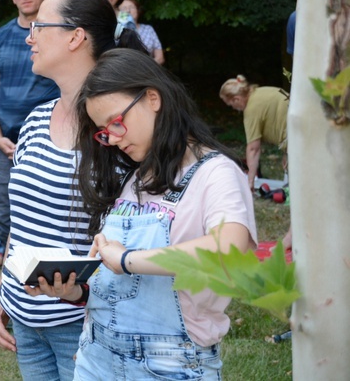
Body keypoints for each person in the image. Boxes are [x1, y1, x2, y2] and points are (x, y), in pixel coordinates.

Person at [32, 49, 257, 379]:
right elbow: (120, 289)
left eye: (117, 122)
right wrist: (76, 291)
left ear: (153, 98)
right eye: (103, 130)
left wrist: (126, 259)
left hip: (169, 366)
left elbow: (231, 249)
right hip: (96, 356)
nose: (112, 138)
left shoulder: (217, 173)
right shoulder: (137, 178)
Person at [0, 0, 147, 380]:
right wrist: (3, 291)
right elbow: (22, 221)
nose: (30, 35)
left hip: (85, 323)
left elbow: (139, 233)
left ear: (76, 37)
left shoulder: (119, 131)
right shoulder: (35, 119)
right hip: (25, 316)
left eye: (40, 25)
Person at [0, 0, 60, 271]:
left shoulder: (59, 34)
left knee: (45, 202)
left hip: (48, 140)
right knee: (5, 204)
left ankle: (39, 257)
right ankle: (5, 251)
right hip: (5, 141)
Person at [219, 75, 289, 190]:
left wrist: (250, 182)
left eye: (231, 105)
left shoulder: (251, 109)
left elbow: (253, 149)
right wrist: (287, 152)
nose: (234, 109)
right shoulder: (261, 92)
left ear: (237, 99)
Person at [120, 0, 165, 64]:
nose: (128, 11)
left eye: (131, 7)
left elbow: (160, 58)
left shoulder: (148, 29)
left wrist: (145, 69)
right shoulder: (116, 32)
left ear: (138, 10)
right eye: (124, 8)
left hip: (148, 71)